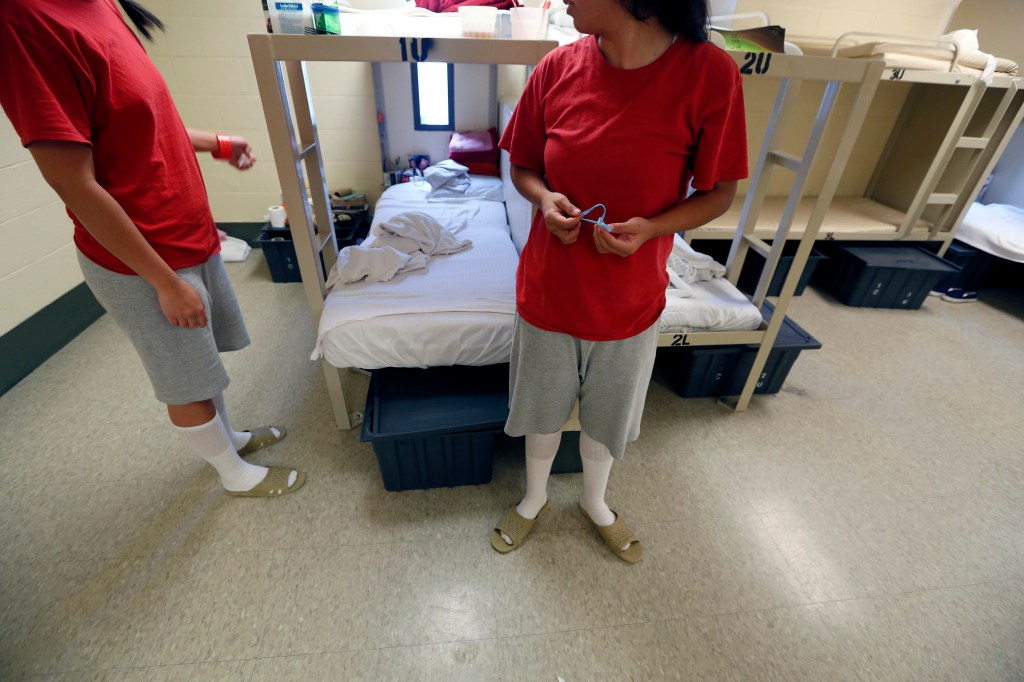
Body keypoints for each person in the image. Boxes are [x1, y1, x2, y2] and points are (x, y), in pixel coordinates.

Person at [0, 0, 306, 497]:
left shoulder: (99, 7)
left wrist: (215, 143)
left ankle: (231, 440)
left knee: (201, 363)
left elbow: (134, 126)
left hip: (186, 233)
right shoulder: (25, 23)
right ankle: (234, 477)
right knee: (184, 376)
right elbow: (74, 183)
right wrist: (164, 282)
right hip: (144, 257)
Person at [491, 0, 747, 562]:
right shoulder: (556, 68)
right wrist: (543, 197)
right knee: (541, 407)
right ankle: (534, 497)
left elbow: (719, 193)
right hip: (550, 289)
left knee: (608, 413)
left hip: (628, 300)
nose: (562, 1)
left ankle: (594, 502)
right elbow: (523, 165)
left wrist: (652, 228)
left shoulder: (709, 72)